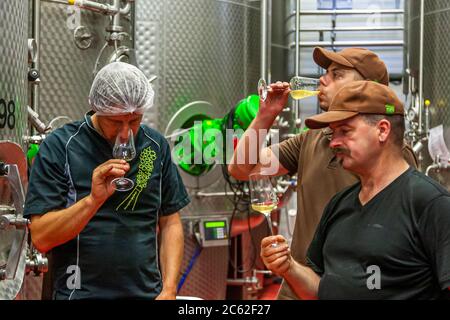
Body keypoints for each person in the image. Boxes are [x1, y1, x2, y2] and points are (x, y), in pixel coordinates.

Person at [227, 47, 417, 299]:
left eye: (337, 74)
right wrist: (266, 114)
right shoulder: (311, 138)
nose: (322, 80)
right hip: (296, 286)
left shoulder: (389, 153)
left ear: (369, 87)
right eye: (325, 72)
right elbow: (241, 168)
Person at [260, 81, 450, 299]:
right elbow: (320, 290)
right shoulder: (338, 204)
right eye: (333, 133)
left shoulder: (431, 204)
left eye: (345, 131)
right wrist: (288, 267)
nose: (334, 142)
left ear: (382, 130)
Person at [24, 62, 190, 300]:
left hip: (146, 294)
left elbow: (171, 221)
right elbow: (41, 237)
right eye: (115, 122)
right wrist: (93, 200)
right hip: (79, 294)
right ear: (98, 109)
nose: (126, 134)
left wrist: (170, 289)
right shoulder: (61, 146)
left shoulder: (156, 146)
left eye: (134, 121)